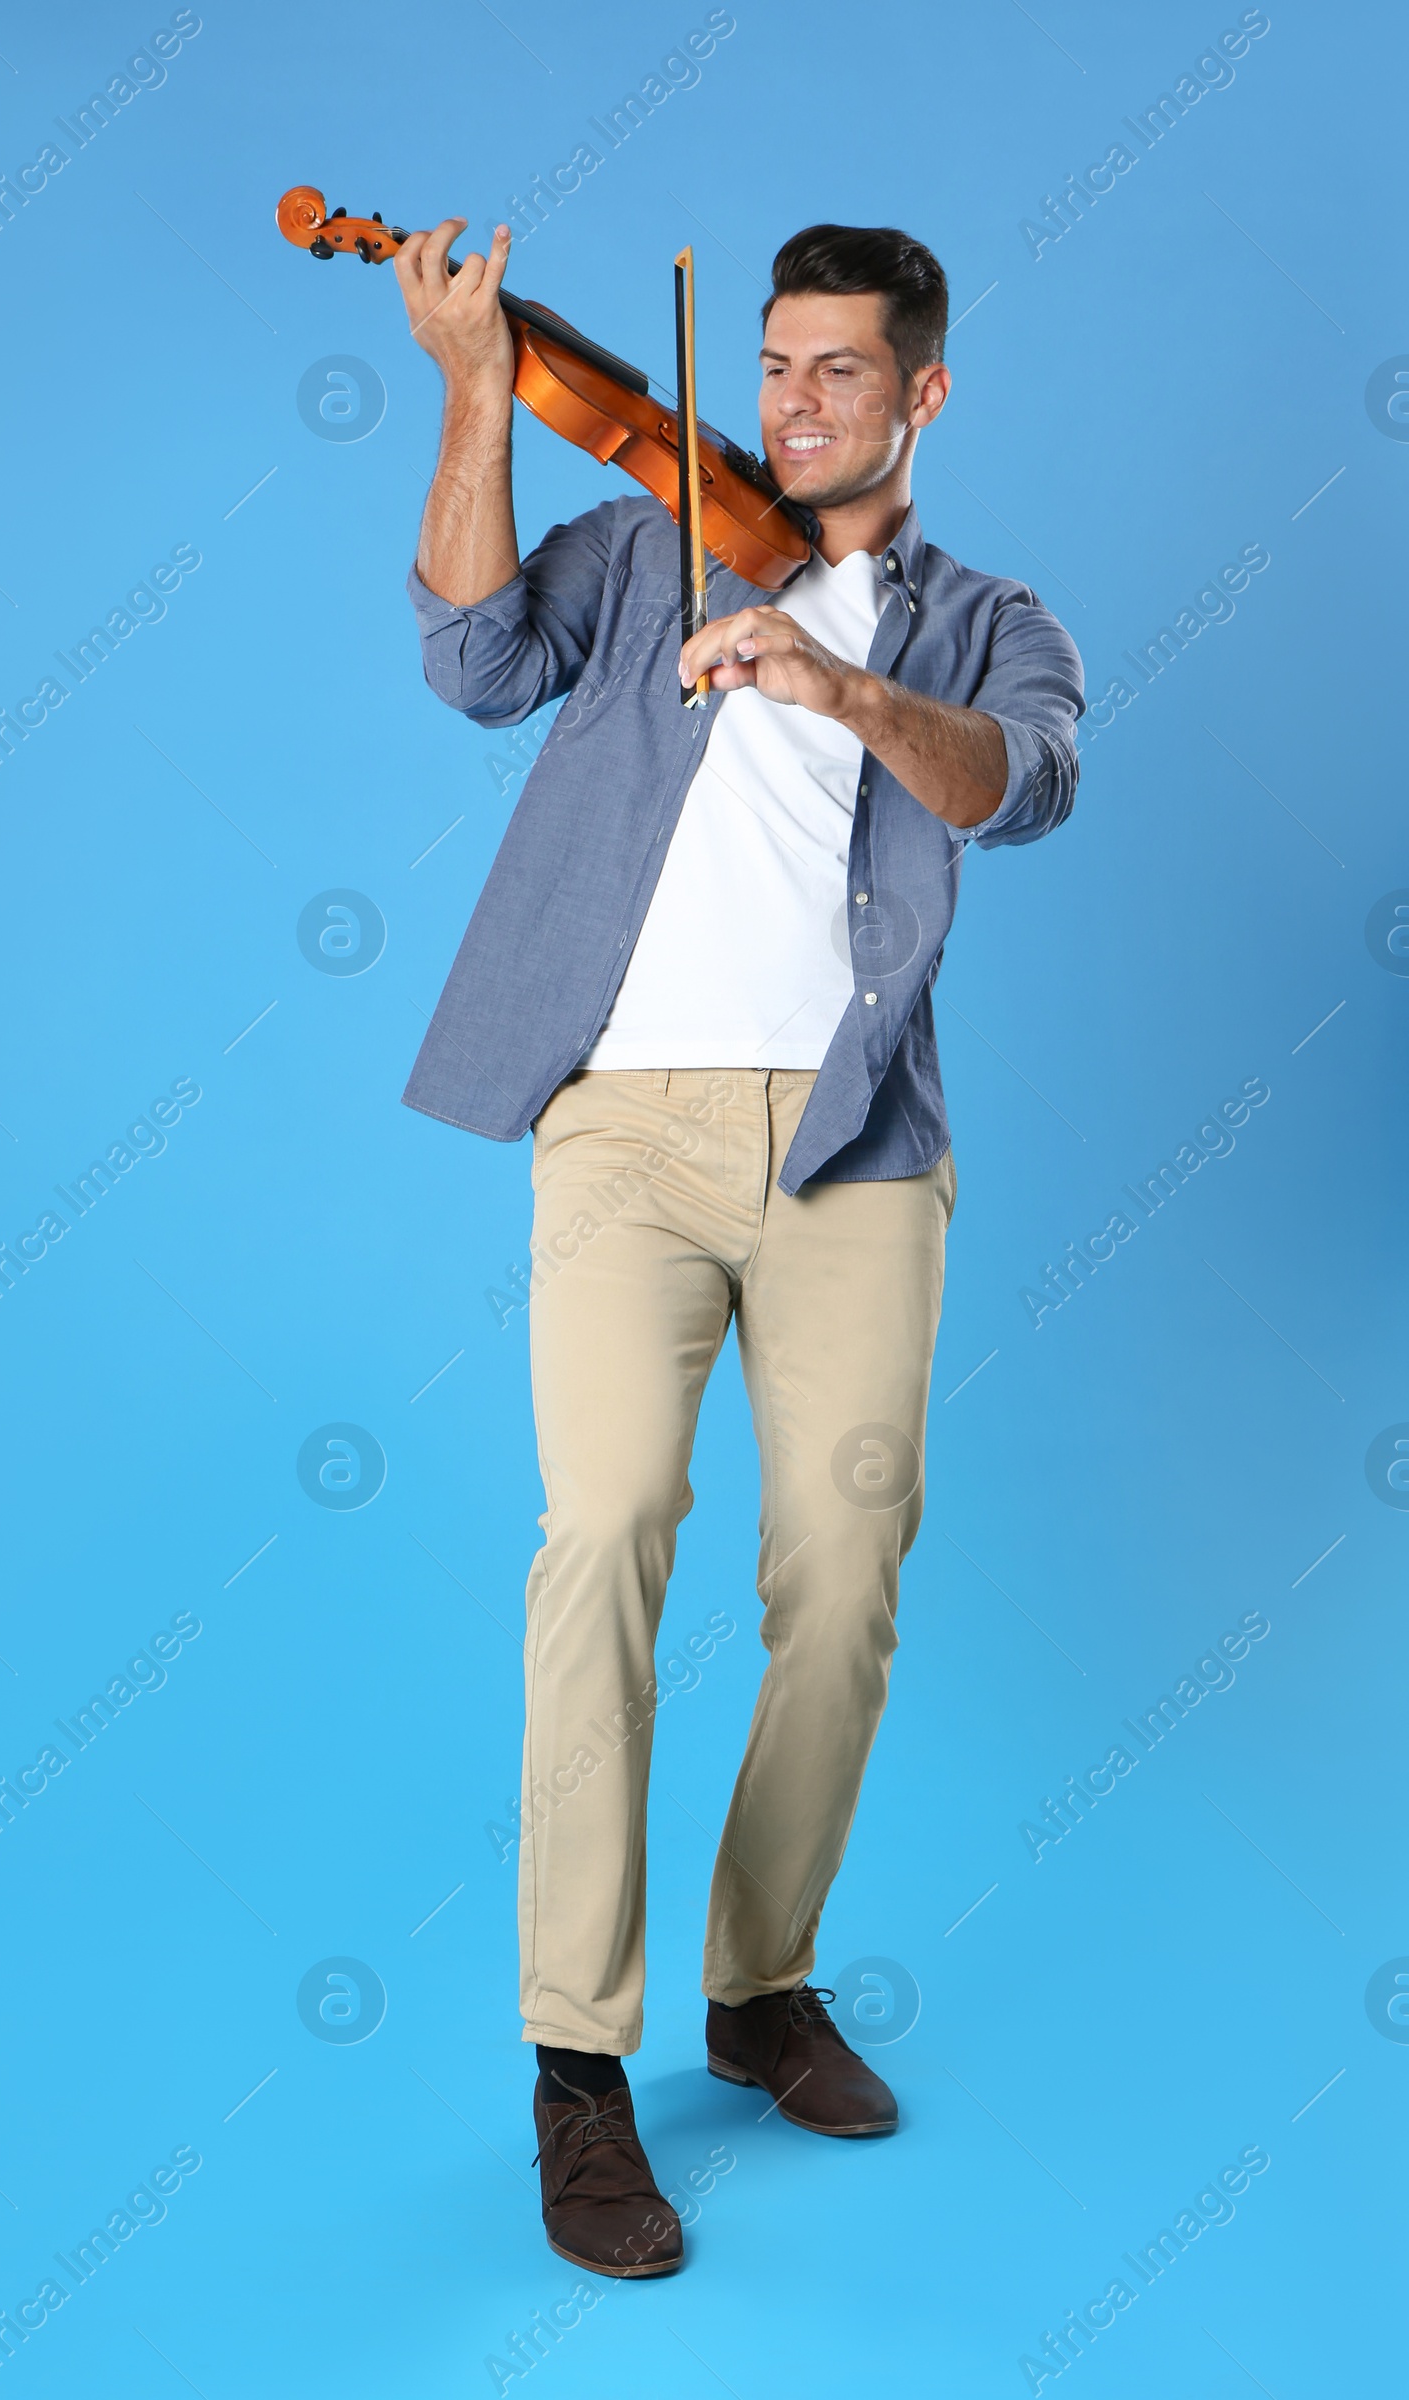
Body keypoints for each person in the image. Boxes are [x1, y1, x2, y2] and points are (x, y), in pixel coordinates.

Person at [391, 215, 1083, 2278]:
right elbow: (465, 655)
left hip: (853, 1146)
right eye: (770, 368)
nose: (783, 407)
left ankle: (755, 1980)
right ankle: (575, 2070)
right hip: (620, 1130)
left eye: (833, 375)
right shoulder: (639, 548)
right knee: (601, 1532)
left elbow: (1018, 786)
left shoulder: (976, 618)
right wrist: (466, 387)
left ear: (919, 392)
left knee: (843, 1572)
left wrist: (826, 671)